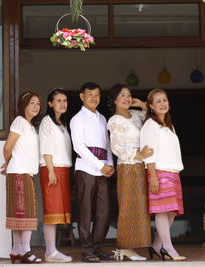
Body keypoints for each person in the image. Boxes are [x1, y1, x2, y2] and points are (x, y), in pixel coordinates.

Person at [107, 84, 153, 261]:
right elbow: (116, 147)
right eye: (122, 95)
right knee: (128, 206)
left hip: (141, 165)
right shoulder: (114, 120)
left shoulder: (136, 115)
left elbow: (154, 114)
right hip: (128, 165)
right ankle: (125, 247)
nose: (126, 98)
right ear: (115, 100)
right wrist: (138, 154)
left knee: (140, 207)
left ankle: (132, 247)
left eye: (128, 95)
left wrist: (141, 104)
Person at [70, 82, 115, 263]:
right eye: (90, 95)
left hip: (104, 169)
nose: (94, 98)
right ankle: (87, 250)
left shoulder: (103, 118)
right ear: (82, 97)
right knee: (86, 211)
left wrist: (110, 165)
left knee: (104, 211)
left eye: (97, 95)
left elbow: (108, 145)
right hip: (86, 169)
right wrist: (99, 165)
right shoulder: (77, 119)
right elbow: (79, 147)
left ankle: (98, 247)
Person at [140, 89, 186, 261]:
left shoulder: (168, 126)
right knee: (162, 210)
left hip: (173, 172)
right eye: (158, 101)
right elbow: (148, 154)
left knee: (172, 212)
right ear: (151, 106)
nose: (163, 104)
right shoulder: (150, 125)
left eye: (165, 100)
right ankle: (168, 247)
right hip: (159, 172)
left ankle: (157, 245)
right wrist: (153, 177)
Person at [1, 91, 43, 264]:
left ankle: (16, 249)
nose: (36, 106)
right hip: (20, 172)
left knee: (19, 212)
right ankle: (25, 250)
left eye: (38, 103)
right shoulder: (19, 122)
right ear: (24, 105)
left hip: (23, 172)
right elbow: (7, 147)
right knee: (26, 211)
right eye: (32, 103)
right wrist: (9, 162)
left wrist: (10, 164)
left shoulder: (31, 126)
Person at [39, 88, 73, 263]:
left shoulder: (62, 124)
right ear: (50, 104)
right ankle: (50, 251)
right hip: (52, 169)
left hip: (63, 169)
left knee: (58, 211)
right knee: (51, 210)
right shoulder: (47, 121)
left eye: (65, 100)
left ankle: (53, 250)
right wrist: (51, 171)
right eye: (58, 101)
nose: (62, 104)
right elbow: (46, 148)